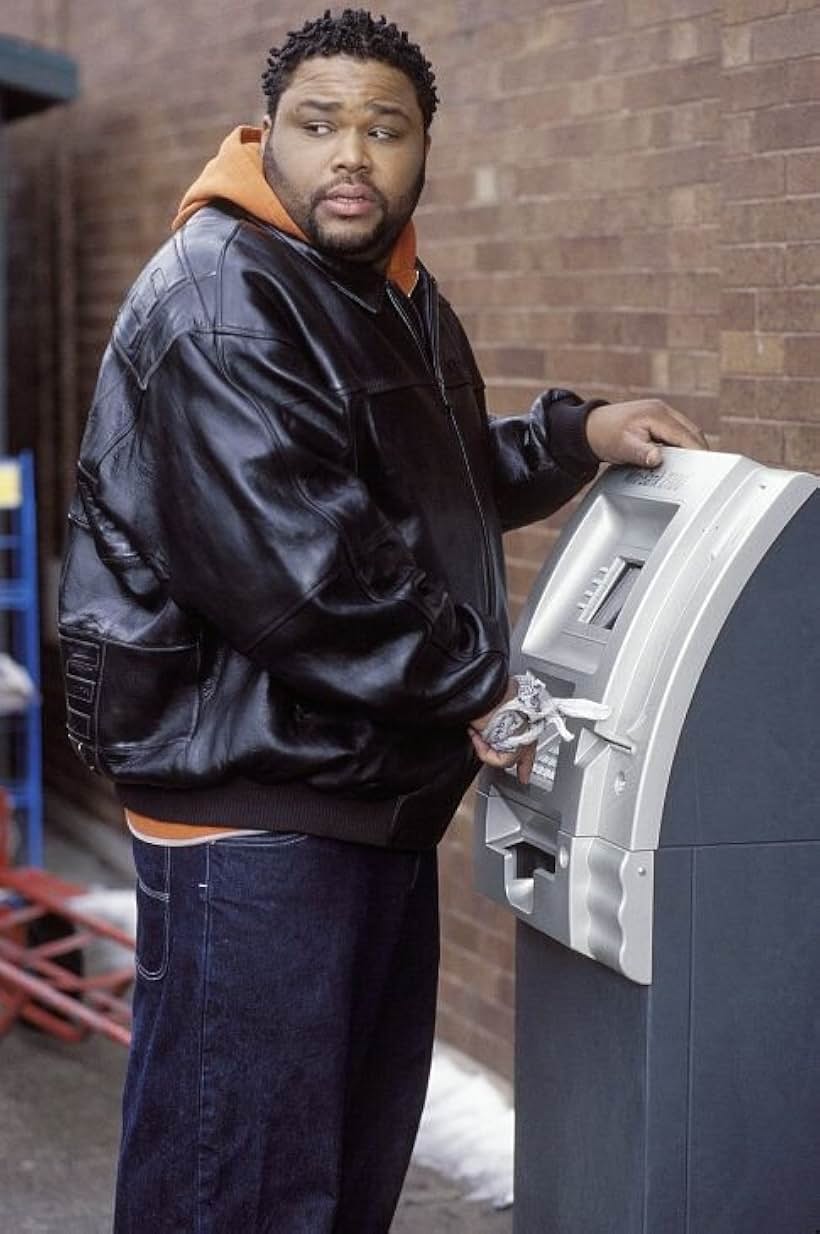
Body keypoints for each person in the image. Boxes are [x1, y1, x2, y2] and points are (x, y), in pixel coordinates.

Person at [58, 10, 707, 1232]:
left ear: (421, 150)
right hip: (253, 816)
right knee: (239, 1191)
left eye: (383, 129)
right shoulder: (223, 296)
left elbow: (422, 485)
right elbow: (301, 573)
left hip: (353, 795)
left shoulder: (377, 286)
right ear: (268, 137)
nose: (350, 154)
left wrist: (572, 436)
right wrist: (480, 689)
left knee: (335, 1175)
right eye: (320, 125)